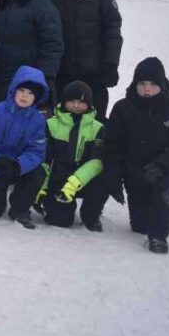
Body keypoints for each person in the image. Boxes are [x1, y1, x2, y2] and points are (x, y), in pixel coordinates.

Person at [103, 57, 169, 254]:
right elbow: (112, 147)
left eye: (153, 84)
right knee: (140, 226)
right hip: (135, 171)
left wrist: (163, 164)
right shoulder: (122, 109)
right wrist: (113, 178)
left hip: (164, 170)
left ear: (161, 85)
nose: (147, 89)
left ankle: (159, 236)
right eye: (142, 84)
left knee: (164, 200)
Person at [40, 0, 123, 118]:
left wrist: (111, 65)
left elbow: (112, 31)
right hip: (58, 74)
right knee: (58, 123)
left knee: (93, 124)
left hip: (93, 75)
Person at [0, 65, 49, 228]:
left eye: (30, 93)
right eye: (22, 91)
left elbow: (37, 151)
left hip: (18, 167)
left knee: (38, 173)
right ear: (13, 90)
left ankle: (19, 209)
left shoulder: (38, 120)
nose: (25, 96)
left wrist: (20, 165)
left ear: (37, 97)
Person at [34, 81, 107, 231]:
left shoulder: (98, 128)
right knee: (60, 221)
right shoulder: (51, 124)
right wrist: (42, 186)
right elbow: (45, 158)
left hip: (83, 179)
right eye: (72, 101)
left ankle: (91, 215)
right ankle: (51, 204)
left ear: (89, 104)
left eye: (81, 102)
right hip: (58, 177)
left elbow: (96, 161)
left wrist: (74, 183)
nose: (76, 105)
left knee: (103, 181)